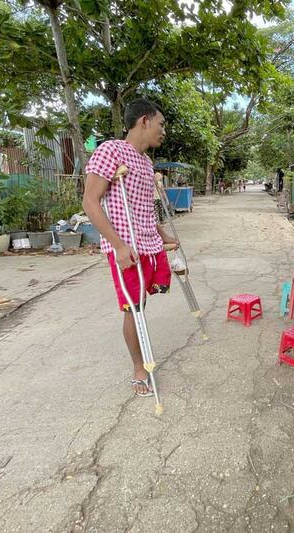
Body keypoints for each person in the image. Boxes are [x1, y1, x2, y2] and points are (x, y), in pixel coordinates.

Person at [82, 98, 179, 397]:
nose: (164, 131)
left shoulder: (146, 162)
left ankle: (142, 356)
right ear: (144, 121)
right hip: (126, 246)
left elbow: (144, 209)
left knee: (146, 301)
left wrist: (162, 234)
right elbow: (90, 201)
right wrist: (118, 245)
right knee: (133, 308)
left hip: (148, 242)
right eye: (161, 124)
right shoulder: (110, 150)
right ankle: (139, 368)